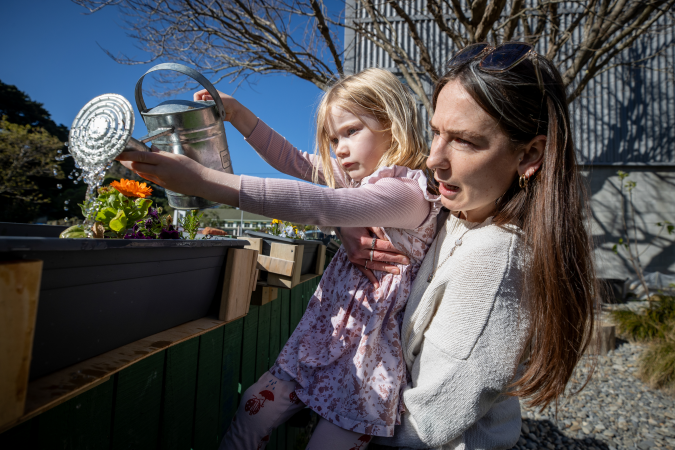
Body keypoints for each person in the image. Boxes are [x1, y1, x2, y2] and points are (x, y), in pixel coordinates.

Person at [117, 68, 442, 449]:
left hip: (366, 364)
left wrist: (205, 182)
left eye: (351, 131)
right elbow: (293, 160)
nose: (338, 148)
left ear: (392, 122)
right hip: (322, 336)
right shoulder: (358, 182)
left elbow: (324, 204)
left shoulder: (408, 192)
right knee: (253, 410)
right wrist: (238, 115)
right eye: (333, 138)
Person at [338, 43, 598, 449]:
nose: (434, 158)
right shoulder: (459, 211)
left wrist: (325, 402)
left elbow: (427, 424)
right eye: (436, 132)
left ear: (529, 154)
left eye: (464, 142)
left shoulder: (493, 262)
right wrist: (347, 221)